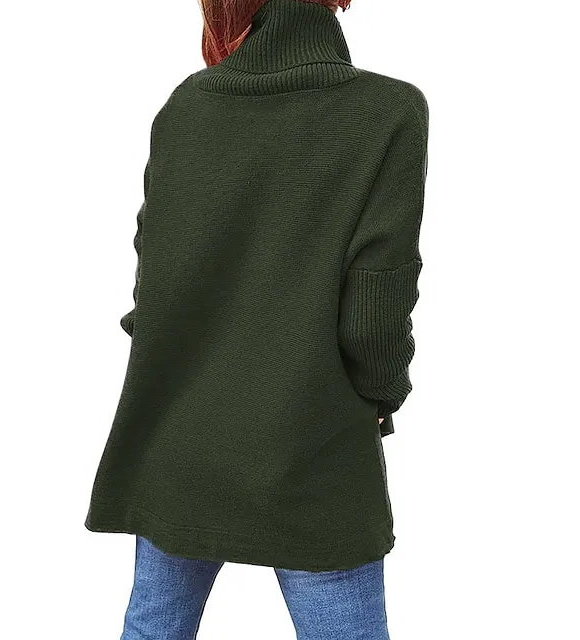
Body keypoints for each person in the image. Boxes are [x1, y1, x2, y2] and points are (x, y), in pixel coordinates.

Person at [85, 0, 429, 637]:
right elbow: (376, 302)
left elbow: (153, 274)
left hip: (179, 435)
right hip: (312, 438)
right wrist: (383, 392)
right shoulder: (389, 111)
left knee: (155, 628)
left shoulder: (188, 106)